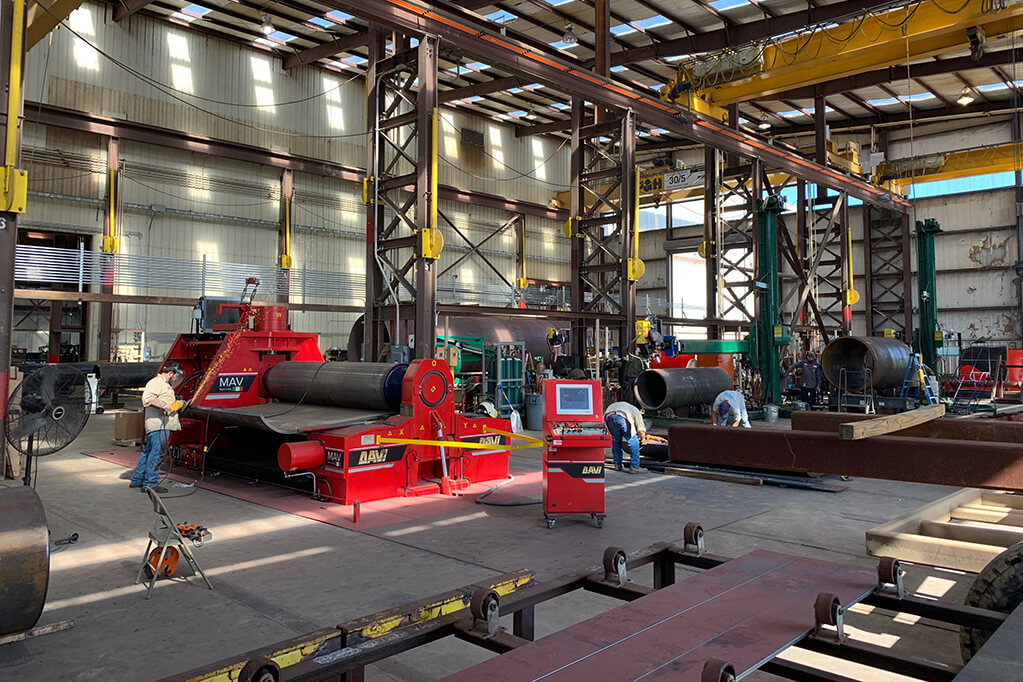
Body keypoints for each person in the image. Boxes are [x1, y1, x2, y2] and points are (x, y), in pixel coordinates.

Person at [130, 362, 186, 493]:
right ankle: (150, 484)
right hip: (159, 425)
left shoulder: (165, 385)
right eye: (176, 377)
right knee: (156, 454)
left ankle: (137, 480)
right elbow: (147, 399)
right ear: (171, 373)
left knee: (148, 452)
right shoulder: (156, 383)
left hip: (158, 424)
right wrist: (166, 406)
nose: (177, 380)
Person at [603, 400, 647, 473]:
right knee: (633, 441)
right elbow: (641, 429)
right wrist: (643, 438)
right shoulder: (636, 411)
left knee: (616, 441)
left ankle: (617, 465)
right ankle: (635, 467)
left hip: (609, 416)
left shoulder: (625, 406)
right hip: (622, 416)